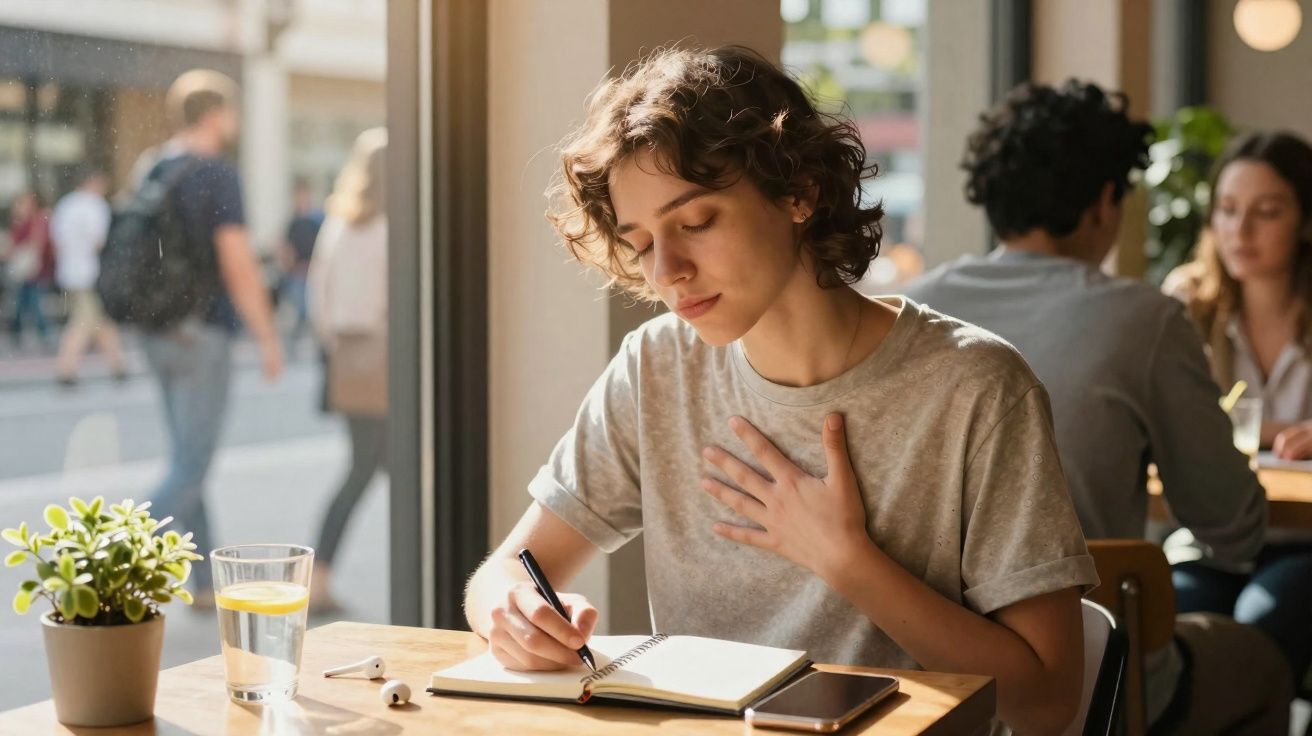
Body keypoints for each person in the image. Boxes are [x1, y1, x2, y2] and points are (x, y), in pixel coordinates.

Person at [463, 46, 1099, 735]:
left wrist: (848, 562)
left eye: (696, 222)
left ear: (800, 192)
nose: (668, 270)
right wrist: (513, 612)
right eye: (642, 242)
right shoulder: (656, 367)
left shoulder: (975, 387)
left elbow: (1046, 704)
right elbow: (504, 571)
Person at [904, 80, 1290, 734]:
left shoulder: (908, 312)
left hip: (932, 672)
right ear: (1106, 201)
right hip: (1097, 680)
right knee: (1263, 662)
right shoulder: (1146, 320)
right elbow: (1233, 528)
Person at [1164, 130, 1312, 702]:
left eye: (1266, 212)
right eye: (1227, 210)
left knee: (1256, 632)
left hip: (1303, 540)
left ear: (1305, 219)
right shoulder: (1186, 304)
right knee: (1168, 625)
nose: (1239, 231)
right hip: (1213, 537)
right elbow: (1170, 429)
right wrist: (1279, 432)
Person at [139, 69, 283, 603]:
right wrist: (268, 337)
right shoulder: (217, 175)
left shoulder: (152, 166)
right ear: (216, 114)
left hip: (156, 333)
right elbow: (238, 265)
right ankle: (120, 554)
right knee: (190, 466)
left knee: (184, 454)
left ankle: (202, 585)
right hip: (203, 335)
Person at [306, 128, 388, 611]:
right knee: (367, 470)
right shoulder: (393, 225)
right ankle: (316, 580)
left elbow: (319, 295)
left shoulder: (338, 223)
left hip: (347, 360)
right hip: (386, 358)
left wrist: (338, 347)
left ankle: (318, 579)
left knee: (370, 466)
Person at [51, 167, 126, 386]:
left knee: (101, 320)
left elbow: (57, 241)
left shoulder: (66, 204)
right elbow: (99, 242)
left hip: (69, 271)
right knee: (84, 321)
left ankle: (118, 365)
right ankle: (65, 369)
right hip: (90, 272)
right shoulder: (95, 206)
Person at [5, 191, 54, 350]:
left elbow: (37, 242)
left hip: (34, 270)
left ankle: (43, 334)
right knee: (22, 302)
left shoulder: (37, 220)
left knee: (32, 303)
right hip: (26, 270)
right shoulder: (20, 222)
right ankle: (20, 332)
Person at [280, 179, 323, 357]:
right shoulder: (293, 222)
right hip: (297, 274)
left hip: (312, 272)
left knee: (310, 313)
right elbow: (286, 247)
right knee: (299, 313)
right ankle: (291, 350)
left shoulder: (317, 220)